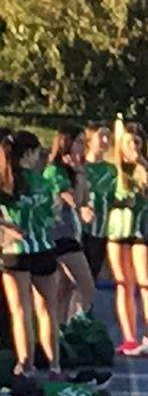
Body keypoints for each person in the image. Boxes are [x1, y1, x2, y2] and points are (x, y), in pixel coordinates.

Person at [0, 131, 62, 374]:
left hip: (14, 252)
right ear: (28, 154)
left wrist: (6, 227)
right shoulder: (43, 182)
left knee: (20, 311)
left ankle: (25, 364)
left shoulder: (5, 182)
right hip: (43, 249)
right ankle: (54, 364)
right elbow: (51, 217)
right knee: (47, 310)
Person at [107, 124, 148, 356]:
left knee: (146, 282)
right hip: (118, 228)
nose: (133, 147)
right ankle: (129, 336)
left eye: (137, 143)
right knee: (124, 283)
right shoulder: (115, 169)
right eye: (129, 142)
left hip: (143, 227)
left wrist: (142, 166)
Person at [44, 125, 94, 324]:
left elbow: (86, 199)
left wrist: (80, 173)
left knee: (64, 289)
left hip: (72, 232)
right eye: (79, 143)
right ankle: (75, 323)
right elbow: (75, 201)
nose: (83, 148)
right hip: (59, 235)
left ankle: (61, 330)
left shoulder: (72, 170)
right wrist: (79, 175)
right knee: (86, 286)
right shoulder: (55, 170)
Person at [78, 123, 116, 302]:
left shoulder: (112, 170)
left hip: (100, 231)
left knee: (91, 275)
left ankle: (84, 317)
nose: (106, 141)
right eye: (101, 136)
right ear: (89, 140)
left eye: (108, 136)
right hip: (78, 231)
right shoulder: (80, 167)